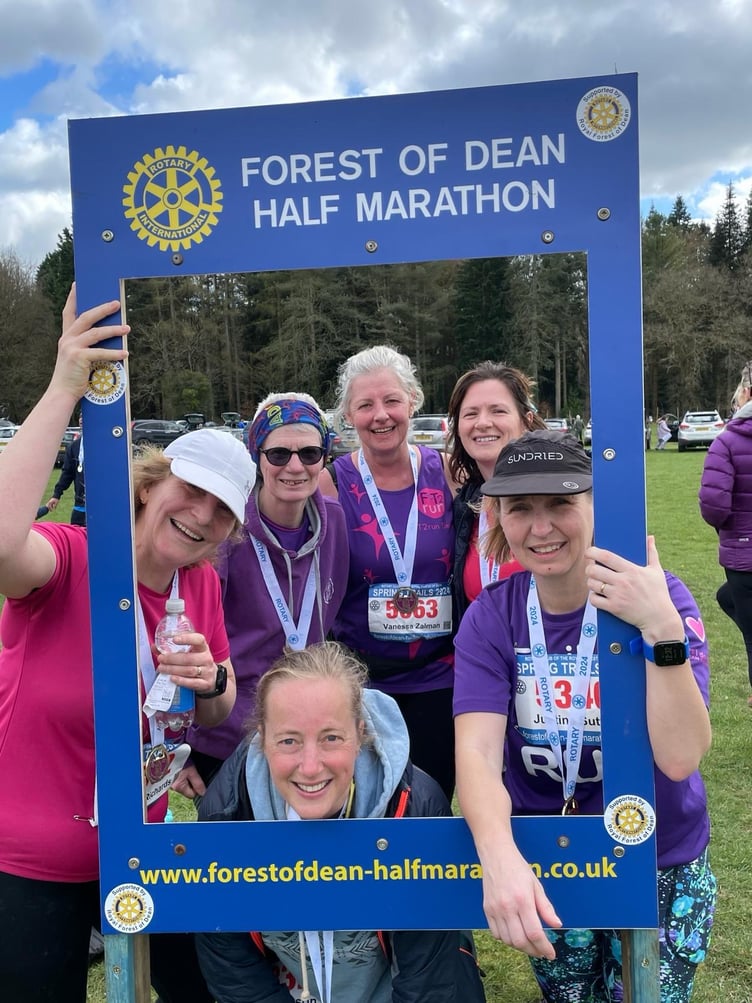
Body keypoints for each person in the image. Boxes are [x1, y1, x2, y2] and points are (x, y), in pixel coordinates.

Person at [0, 290, 255, 1003]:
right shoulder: (71, 557)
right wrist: (64, 383)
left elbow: (213, 705)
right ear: (151, 482)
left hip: (142, 851)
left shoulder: (196, 585)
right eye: (193, 489)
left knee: (197, 987)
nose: (203, 514)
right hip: (31, 863)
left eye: (224, 509)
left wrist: (212, 681)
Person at [454, 430, 715, 1003]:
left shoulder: (662, 598)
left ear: (596, 505)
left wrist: (662, 629)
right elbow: (476, 754)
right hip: (551, 853)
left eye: (562, 504)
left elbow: (679, 758)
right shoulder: (492, 617)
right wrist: (498, 857)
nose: (540, 528)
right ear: (499, 518)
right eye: (521, 509)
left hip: (658, 853)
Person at [195, 641, 486, 1003]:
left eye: (331, 738)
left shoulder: (415, 806)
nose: (311, 766)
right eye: (288, 741)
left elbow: (425, 982)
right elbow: (233, 968)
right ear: (262, 740)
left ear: (360, 734)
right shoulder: (226, 811)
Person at [173, 392, 349, 801]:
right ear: (257, 455)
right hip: (229, 739)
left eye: (309, 453)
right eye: (278, 454)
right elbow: (185, 641)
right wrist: (178, 749)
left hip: (308, 738)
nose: (294, 466)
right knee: (237, 864)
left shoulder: (336, 525)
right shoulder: (227, 531)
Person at [319, 345, 456, 799]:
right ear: (347, 415)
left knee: (431, 805)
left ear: (412, 400)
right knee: (361, 815)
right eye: (365, 405)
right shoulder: (331, 480)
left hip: (440, 679)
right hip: (361, 686)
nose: (381, 415)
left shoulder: (448, 472)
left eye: (391, 400)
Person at [446, 360, 546, 619]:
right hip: (484, 657)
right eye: (470, 414)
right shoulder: (466, 508)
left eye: (498, 411)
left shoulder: (565, 497)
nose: (482, 423)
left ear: (526, 420)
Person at [699, 364, 752, 706]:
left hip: (744, 556)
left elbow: (714, 506)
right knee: (726, 597)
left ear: (745, 391)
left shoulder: (728, 441)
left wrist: (729, 529)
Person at [46, 415, 86, 525]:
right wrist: (56, 495)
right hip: (80, 507)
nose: (81, 419)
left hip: (101, 506)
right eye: (80, 416)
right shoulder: (74, 446)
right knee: (78, 539)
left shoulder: (103, 445)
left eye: (85, 416)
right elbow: (67, 473)